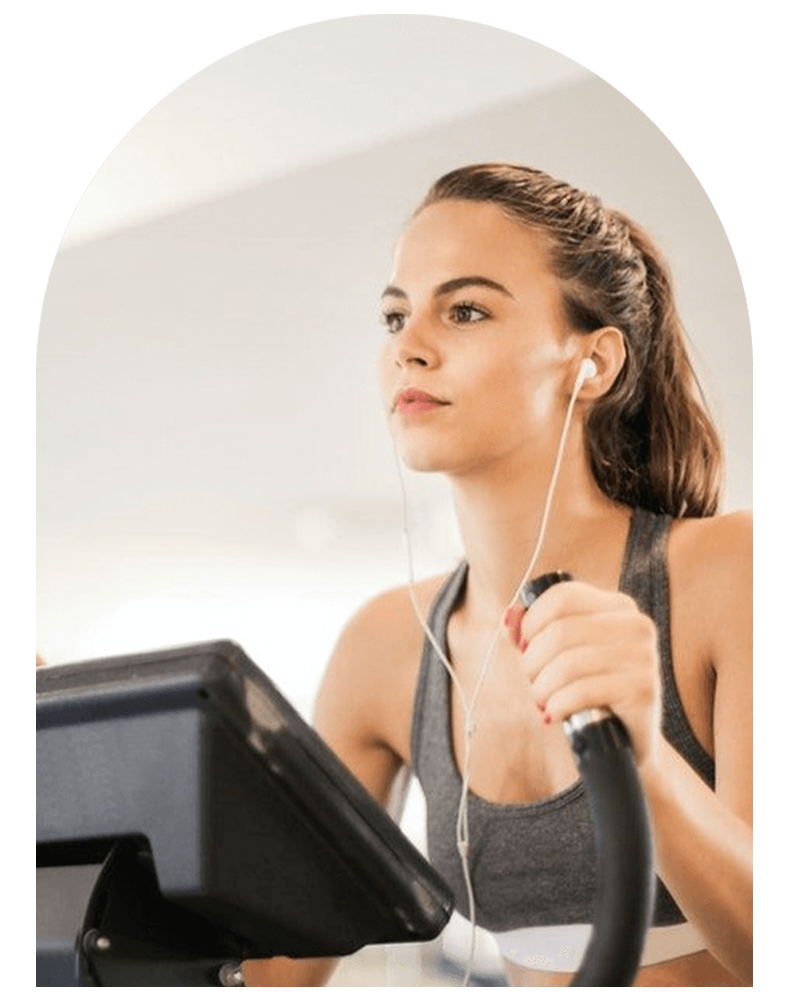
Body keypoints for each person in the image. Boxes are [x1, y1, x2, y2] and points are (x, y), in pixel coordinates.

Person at [243, 163, 752, 987]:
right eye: (394, 314)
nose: (407, 346)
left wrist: (644, 757)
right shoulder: (385, 646)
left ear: (593, 364)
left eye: (467, 309)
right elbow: (273, 978)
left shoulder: (726, 573)